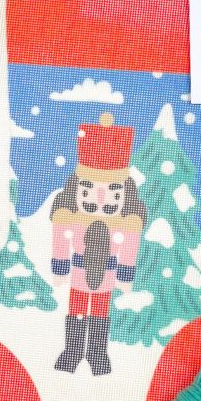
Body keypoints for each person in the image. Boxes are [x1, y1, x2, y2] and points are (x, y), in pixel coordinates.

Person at [50, 112, 147, 375]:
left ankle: (97, 353)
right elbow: (61, 240)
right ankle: (72, 351)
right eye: (89, 191)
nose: (101, 199)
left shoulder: (124, 224)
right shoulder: (73, 219)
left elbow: (129, 250)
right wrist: (60, 268)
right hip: (80, 272)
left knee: (101, 312)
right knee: (77, 308)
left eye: (113, 193)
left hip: (107, 274)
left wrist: (125, 275)